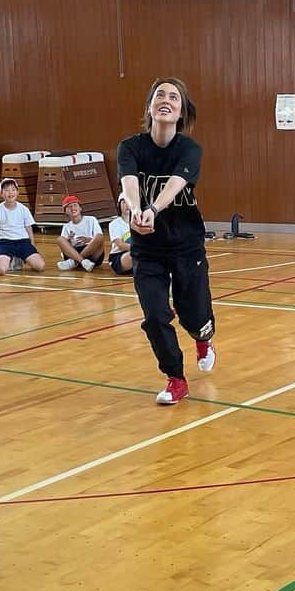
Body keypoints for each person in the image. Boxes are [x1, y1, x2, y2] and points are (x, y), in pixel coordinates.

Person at [117, 77, 216, 406]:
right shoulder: (130, 147)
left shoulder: (189, 149)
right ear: (149, 107)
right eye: (160, 94)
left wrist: (153, 209)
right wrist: (135, 211)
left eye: (174, 97)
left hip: (186, 244)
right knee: (156, 315)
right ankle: (175, 378)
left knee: (194, 315)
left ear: (181, 111)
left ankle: (203, 338)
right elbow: (129, 182)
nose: (166, 100)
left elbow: (175, 185)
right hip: (148, 249)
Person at [0, 179, 45, 275]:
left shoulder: (24, 209)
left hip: (23, 242)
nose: (10, 193)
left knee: (40, 266)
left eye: (13, 189)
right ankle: (11, 258)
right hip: (5, 243)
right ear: (1, 193)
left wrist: (32, 247)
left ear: (17, 192)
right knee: (0, 270)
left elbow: (29, 230)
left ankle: (18, 257)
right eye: (6, 190)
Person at [56, 195, 104, 271]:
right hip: (74, 252)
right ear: (65, 211)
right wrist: (68, 240)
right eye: (69, 206)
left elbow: (99, 239)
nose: (72, 208)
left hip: (91, 252)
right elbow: (64, 249)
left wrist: (88, 240)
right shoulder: (66, 226)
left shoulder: (91, 220)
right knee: (60, 239)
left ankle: (74, 262)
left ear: (80, 208)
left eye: (75, 205)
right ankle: (83, 262)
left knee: (99, 236)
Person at [108, 194, 133, 276]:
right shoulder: (114, 224)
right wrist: (140, 249)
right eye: (124, 202)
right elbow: (120, 245)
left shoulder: (140, 220)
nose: (127, 205)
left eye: (129, 202)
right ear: (119, 205)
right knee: (133, 255)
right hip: (119, 256)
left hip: (139, 252)